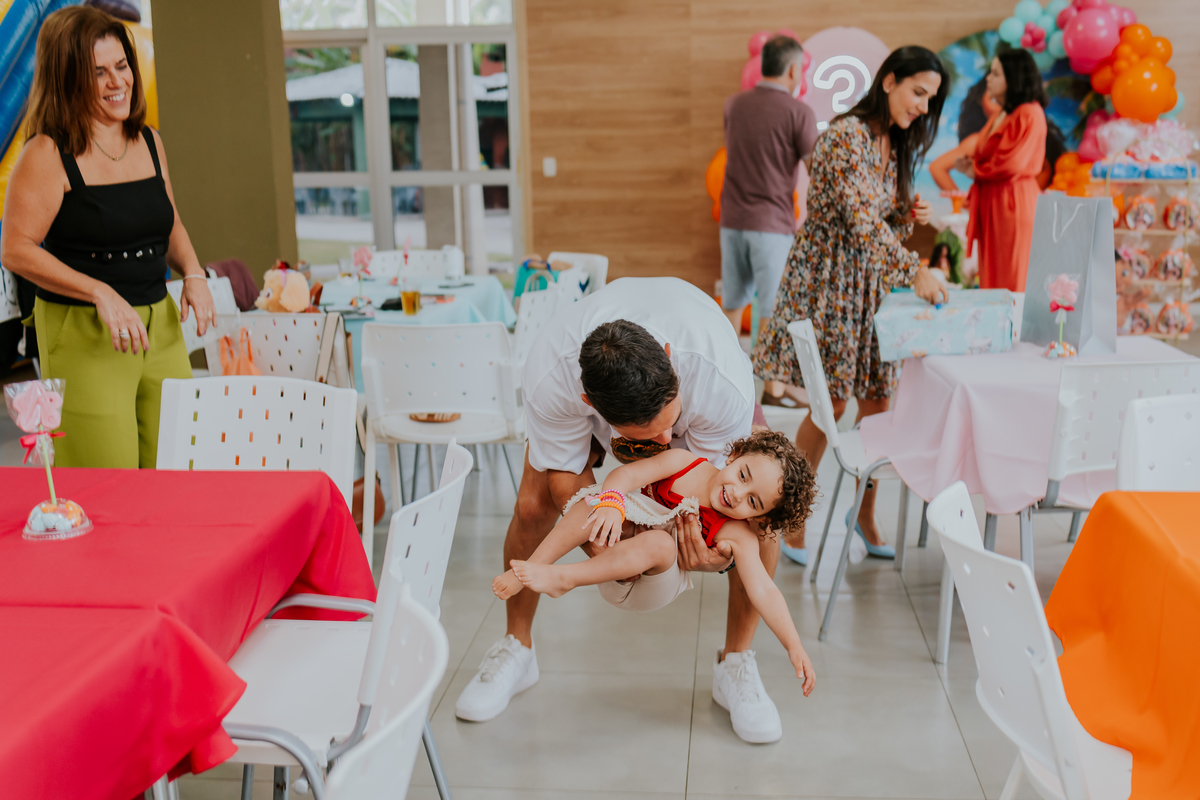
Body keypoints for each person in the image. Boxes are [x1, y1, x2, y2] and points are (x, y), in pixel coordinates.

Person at [455, 277, 795, 744]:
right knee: (533, 506)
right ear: (590, 404)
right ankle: (517, 646)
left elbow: (721, 494)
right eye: (647, 434)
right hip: (597, 413)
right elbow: (566, 479)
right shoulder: (549, 376)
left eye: (669, 425)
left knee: (760, 526)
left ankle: (735, 661)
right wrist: (604, 544)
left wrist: (708, 548)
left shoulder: (721, 382)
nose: (662, 444)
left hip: (713, 404)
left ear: (671, 358)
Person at [751, 45, 949, 566]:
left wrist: (906, 213)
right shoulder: (844, 137)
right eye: (918, 92)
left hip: (867, 290)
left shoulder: (892, 143)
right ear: (888, 82)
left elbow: (877, 223)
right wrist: (916, 269)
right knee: (830, 405)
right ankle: (787, 514)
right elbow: (859, 226)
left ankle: (862, 513)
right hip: (829, 286)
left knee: (880, 402)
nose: (923, 107)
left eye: (931, 99)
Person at [0, 6, 213, 468]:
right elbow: (15, 249)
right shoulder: (46, 153)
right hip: (83, 334)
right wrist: (99, 291)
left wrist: (194, 271)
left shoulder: (149, 141)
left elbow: (168, 218)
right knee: (107, 486)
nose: (118, 82)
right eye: (98, 72)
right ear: (67, 78)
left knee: (176, 469)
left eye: (122, 66)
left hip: (159, 325)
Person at [494, 430, 818, 701]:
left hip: (653, 583)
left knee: (661, 543)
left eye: (753, 501)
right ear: (736, 455)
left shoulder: (740, 535)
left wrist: (794, 645)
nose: (736, 493)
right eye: (743, 475)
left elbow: (763, 589)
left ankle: (565, 578)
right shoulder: (685, 463)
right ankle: (531, 569)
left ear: (760, 517)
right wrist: (611, 501)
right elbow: (627, 474)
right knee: (589, 500)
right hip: (611, 558)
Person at [720, 34, 818, 410]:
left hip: (732, 219)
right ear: (794, 69)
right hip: (772, 223)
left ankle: (727, 381)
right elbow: (814, 169)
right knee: (773, 310)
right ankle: (774, 391)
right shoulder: (799, 113)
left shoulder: (734, 105)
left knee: (732, 304)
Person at [957, 50, 1047, 292]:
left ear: (1014, 78)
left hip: (1013, 202)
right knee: (992, 278)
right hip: (993, 200)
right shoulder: (1001, 114)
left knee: (1013, 278)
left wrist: (975, 170)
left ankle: (1015, 331)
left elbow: (1012, 164)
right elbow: (989, 156)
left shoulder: (1029, 112)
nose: (988, 79)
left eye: (996, 73)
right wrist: (973, 167)